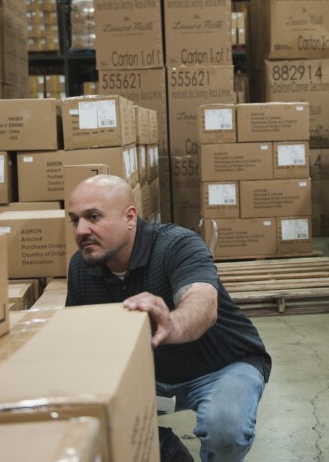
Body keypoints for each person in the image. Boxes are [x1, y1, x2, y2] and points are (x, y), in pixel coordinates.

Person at [66, 174, 271, 462]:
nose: (81, 230)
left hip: (221, 366)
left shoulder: (177, 245)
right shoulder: (82, 267)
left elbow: (202, 301)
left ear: (130, 217)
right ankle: (168, 452)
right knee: (85, 418)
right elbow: (77, 338)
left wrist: (172, 324)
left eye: (93, 217)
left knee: (225, 431)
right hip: (150, 375)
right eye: (74, 220)